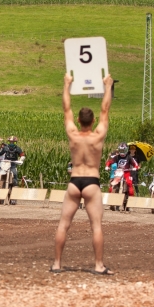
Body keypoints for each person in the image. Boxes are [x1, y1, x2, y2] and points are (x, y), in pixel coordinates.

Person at [52, 72, 114, 276]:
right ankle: (98, 265)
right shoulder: (98, 135)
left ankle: (57, 264)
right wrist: (107, 86)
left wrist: (66, 84)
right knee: (96, 226)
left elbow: (66, 108)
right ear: (93, 120)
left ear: (78, 120)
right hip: (92, 182)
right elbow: (105, 109)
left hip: (74, 181)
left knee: (63, 224)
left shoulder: (73, 133)